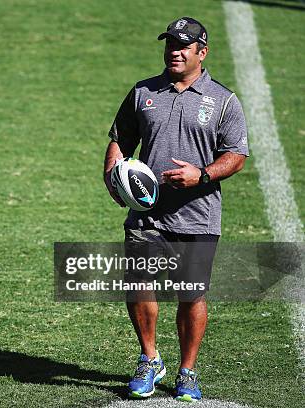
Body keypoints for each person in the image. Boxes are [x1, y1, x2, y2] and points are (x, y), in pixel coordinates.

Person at [104, 17, 249, 402]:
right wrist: (112, 176)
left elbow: (236, 156)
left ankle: (187, 371)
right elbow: (121, 139)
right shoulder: (142, 92)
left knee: (191, 295)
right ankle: (149, 359)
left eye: (184, 46)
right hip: (147, 216)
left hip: (198, 215)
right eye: (170, 44)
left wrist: (202, 174)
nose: (175, 51)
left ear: (202, 52)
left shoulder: (223, 101)